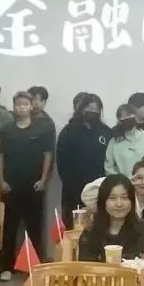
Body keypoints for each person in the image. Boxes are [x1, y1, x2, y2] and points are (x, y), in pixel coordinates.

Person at [0, 91, 54, 280]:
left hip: (34, 185)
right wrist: (1, 180)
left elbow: (48, 155)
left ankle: (33, 266)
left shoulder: (42, 129)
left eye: (25, 104)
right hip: (11, 185)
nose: (21, 107)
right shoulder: (7, 130)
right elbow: (0, 156)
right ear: (14, 107)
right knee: (9, 227)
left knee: (34, 227)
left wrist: (43, 180)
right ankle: (6, 267)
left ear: (31, 106)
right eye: (18, 104)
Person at [56, 93, 110, 225]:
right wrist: (69, 183)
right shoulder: (68, 131)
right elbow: (61, 162)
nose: (93, 112)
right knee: (73, 225)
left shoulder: (106, 132)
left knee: (99, 224)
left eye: (96, 109)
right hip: (73, 190)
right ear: (82, 109)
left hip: (99, 188)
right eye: (89, 108)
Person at [78, 174, 144, 261]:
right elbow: (85, 267)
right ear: (103, 201)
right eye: (112, 198)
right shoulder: (90, 233)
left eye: (124, 197)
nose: (119, 204)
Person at [104, 104, 144, 176]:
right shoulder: (114, 142)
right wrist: (121, 180)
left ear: (135, 116)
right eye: (123, 116)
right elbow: (108, 167)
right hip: (123, 182)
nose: (127, 118)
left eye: (129, 115)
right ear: (119, 121)